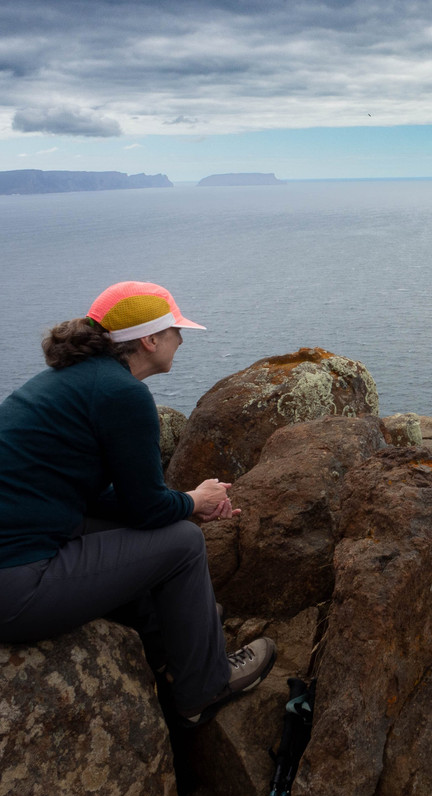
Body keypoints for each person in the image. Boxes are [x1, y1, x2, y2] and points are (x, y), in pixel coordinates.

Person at [0, 281, 275, 727]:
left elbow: (103, 498)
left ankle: (171, 640)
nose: (181, 339)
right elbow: (148, 509)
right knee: (183, 542)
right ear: (149, 340)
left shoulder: (69, 381)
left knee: (139, 529)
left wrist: (183, 503)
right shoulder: (122, 393)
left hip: (22, 552)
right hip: (17, 587)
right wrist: (193, 501)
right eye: (175, 330)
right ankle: (204, 687)